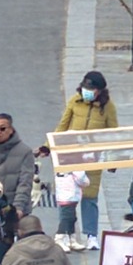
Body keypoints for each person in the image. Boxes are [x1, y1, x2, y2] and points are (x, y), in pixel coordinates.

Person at [50, 71, 118, 251]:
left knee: (90, 197)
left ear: (100, 91)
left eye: (92, 89)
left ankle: (91, 236)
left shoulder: (108, 107)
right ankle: (66, 234)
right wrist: (47, 146)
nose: (88, 92)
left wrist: (112, 160)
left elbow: (113, 133)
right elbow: (63, 125)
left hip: (93, 158)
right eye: (86, 88)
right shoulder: (75, 101)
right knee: (68, 198)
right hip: (71, 156)